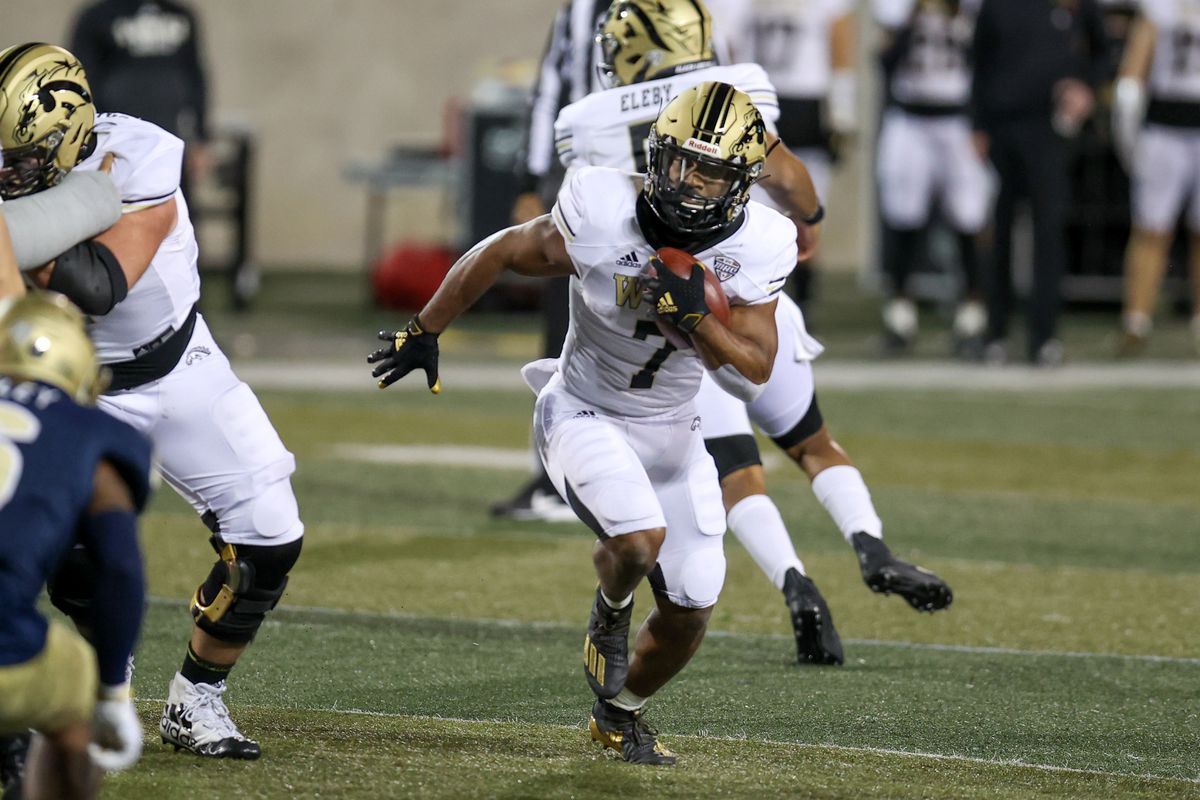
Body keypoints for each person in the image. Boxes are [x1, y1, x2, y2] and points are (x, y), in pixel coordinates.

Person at [371, 82, 792, 764]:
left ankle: (618, 716)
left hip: (675, 433)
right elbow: (506, 250)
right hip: (583, 409)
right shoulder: (600, 207)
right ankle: (611, 608)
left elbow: (754, 370)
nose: (687, 183)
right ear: (655, 156)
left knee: (693, 604)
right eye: (677, 161)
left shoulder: (760, 242)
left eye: (709, 170)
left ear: (740, 181)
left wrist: (698, 319)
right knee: (637, 541)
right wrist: (425, 328)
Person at [555, 0, 952, 666]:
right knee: (814, 442)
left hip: (672, 329)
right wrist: (814, 220)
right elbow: (790, 181)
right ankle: (870, 544)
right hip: (756, 293)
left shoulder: (583, 121)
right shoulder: (738, 88)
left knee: (739, 474)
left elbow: (578, 227)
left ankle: (796, 583)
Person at [0, 42, 304, 759]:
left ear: (70, 135)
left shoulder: (141, 151)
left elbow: (102, 281)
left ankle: (196, 698)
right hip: (66, 382)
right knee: (46, 540)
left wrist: (19, 236)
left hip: (176, 367)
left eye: (20, 159)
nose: (7, 174)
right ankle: (98, 666)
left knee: (269, 535)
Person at [0, 291, 151, 800]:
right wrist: (112, 692)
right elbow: (120, 569)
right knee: (77, 687)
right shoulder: (91, 432)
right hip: (6, 652)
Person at [970, 0, 1109, 365]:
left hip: (1049, 129)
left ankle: (1044, 335)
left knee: (1048, 230)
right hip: (1002, 127)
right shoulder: (996, 6)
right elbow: (979, 62)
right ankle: (995, 331)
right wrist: (978, 124)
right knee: (999, 232)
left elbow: (1103, 53)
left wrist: (1086, 87)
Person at [874, 0, 991, 356]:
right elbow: (885, 61)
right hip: (910, 117)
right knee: (901, 214)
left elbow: (991, 58)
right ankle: (900, 313)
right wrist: (912, 17)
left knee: (971, 216)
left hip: (960, 120)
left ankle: (974, 311)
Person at [743, 0, 858, 309]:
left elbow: (840, 43)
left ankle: (803, 305)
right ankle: (759, 301)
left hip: (805, 107)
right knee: (751, 215)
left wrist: (842, 111)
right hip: (757, 102)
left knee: (806, 210)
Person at [1111, 0, 1200, 356]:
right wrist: (1131, 141)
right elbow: (1133, 76)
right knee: (1151, 228)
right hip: (1165, 127)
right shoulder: (1158, 8)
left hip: (1168, 129)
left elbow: (1129, 82)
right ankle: (1137, 317)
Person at [68, 0, 213, 190]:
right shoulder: (96, 17)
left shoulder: (181, 15)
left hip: (170, 139)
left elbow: (195, 79)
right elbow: (79, 83)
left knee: (174, 207)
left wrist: (201, 139)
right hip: (114, 145)